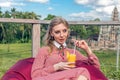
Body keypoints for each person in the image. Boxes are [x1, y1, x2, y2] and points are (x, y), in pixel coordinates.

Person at [31, 17, 100, 80]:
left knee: (81, 73)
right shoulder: (44, 50)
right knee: (82, 71)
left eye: (64, 31)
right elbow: (35, 75)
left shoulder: (72, 53)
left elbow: (95, 68)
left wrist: (87, 49)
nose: (62, 35)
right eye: (57, 32)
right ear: (51, 33)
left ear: (68, 32)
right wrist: (56, 67)